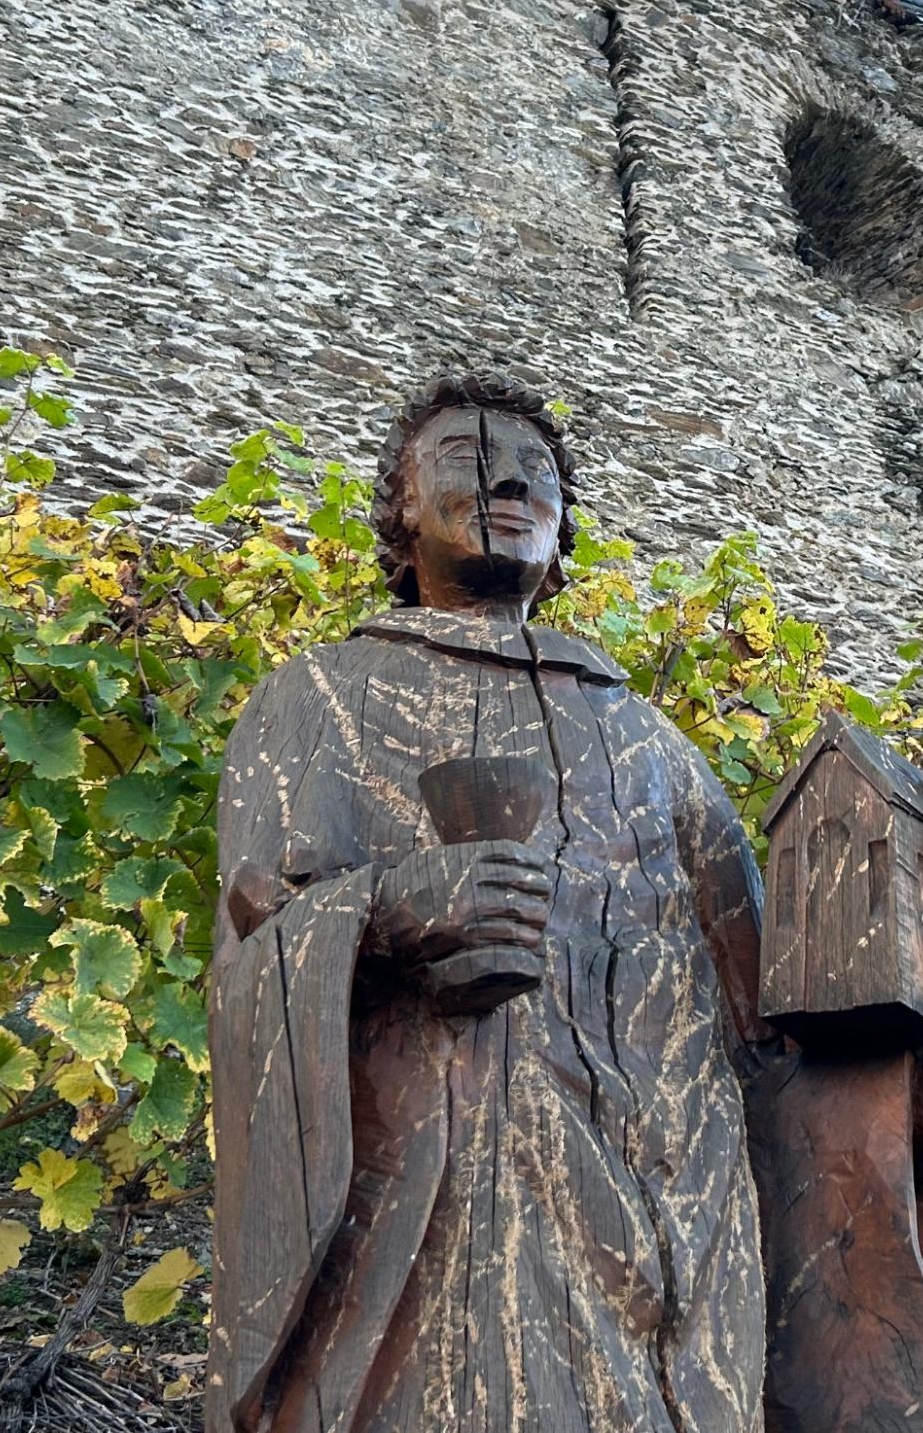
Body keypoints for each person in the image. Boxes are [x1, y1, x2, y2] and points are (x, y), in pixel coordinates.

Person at [205, 373, 778, 1433]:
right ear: (402, 509)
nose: (510, 477)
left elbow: (767, 1012)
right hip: (418, 1244)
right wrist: (381, 912)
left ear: (565, 538)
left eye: (539, 470)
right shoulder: (318, 698)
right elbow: (250, 964)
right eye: (469, 455)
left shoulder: (650, 746)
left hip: (658, 1240)